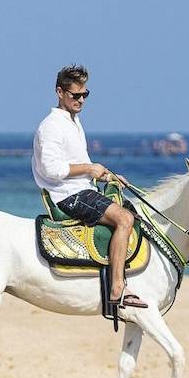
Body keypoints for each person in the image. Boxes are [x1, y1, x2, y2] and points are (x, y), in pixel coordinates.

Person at [32, 64, 147, 312]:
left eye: (85, 95)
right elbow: (51, 169)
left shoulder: (74, 121)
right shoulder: (51, 126)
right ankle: (117, 287)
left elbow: (81, 165)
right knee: (125, 219)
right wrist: (88, 168)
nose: (81, 100)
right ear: (59, 92)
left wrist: (108, 176)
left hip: (82, 189)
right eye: (75, 95)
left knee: (132, 209)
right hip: (68, 196)